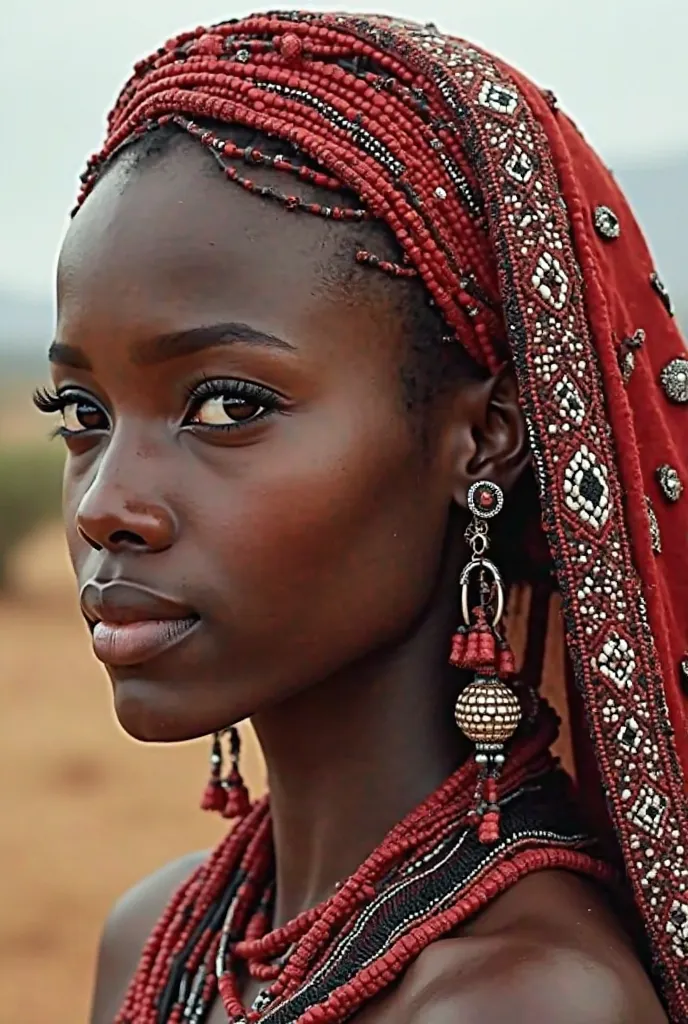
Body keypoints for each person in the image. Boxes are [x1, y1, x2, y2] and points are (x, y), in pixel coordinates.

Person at [36, 10, 688, 1023]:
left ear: (480, 438)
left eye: (227, 406)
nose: (107, 504)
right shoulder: (156, 938)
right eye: (82, 415)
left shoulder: (519, 1001)